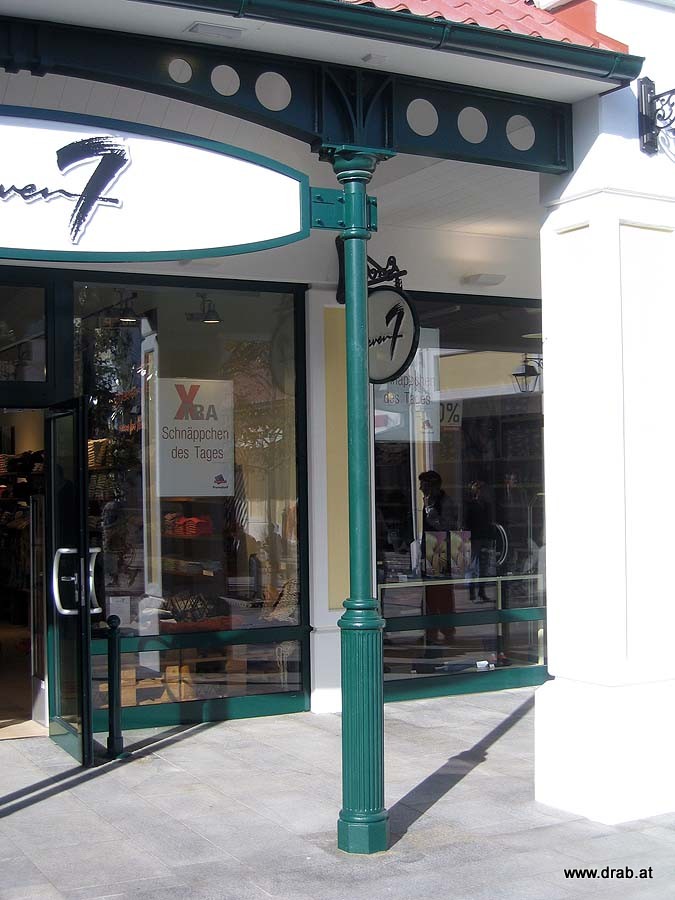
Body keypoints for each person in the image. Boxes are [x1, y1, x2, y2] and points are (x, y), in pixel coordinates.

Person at [418, 470, 457, 645]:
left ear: (432, 486)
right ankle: (431, 632)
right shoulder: (431, 501)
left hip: (440, 550)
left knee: (442, 593)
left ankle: (446, 632)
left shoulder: (444, 502)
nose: (420, 488)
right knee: (430, 594)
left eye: (423, 485)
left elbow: (446, 526)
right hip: (431, 549)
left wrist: (430, 511)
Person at [466, 479, 494, 604]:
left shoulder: (487, 505)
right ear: (477, 491)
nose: (485, 493)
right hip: (474, 538)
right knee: (473, 565)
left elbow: (490, 522)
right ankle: (472, 592)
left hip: (485, 537)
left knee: (484, 565)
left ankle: (481, 591)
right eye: (483, 490)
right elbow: (467, 521)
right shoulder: (470, 505)